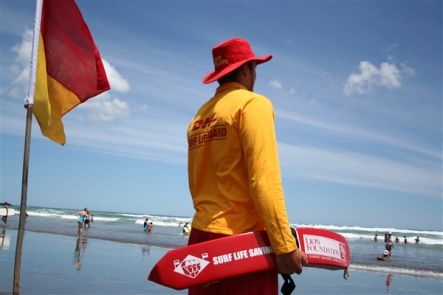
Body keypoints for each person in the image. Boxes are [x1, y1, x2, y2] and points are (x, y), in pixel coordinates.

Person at [186, 37, 308, 295]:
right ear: (245, 69)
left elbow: (196, 179)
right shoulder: (253, 104)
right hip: (242, 244)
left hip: (200, 241)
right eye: (254, 69)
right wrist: (284, 246)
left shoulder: (199, 116)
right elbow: (263, 179)